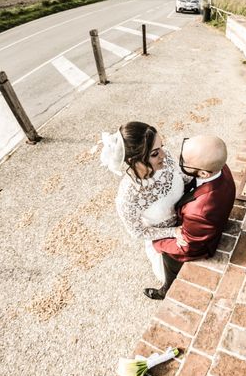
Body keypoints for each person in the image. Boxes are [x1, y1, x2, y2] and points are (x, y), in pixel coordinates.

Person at [144, 135, 236, 300]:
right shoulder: (220, 166)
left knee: (169, 256)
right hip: (208, 221)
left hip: (198, 244)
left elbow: (187, 247)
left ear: (203, 173)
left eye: (184, 162)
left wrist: (157, 241)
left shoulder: (200, 210)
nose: (178, 161)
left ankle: (167, 290)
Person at [99, 122, 190, 282]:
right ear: (133, 160)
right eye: (155, 153)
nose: (163, 154)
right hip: (166, 243)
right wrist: (173, 232)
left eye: (162, 146)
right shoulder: (128, 196)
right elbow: (138, 231)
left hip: (191, 220)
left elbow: (183, 178)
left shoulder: (166, 157)